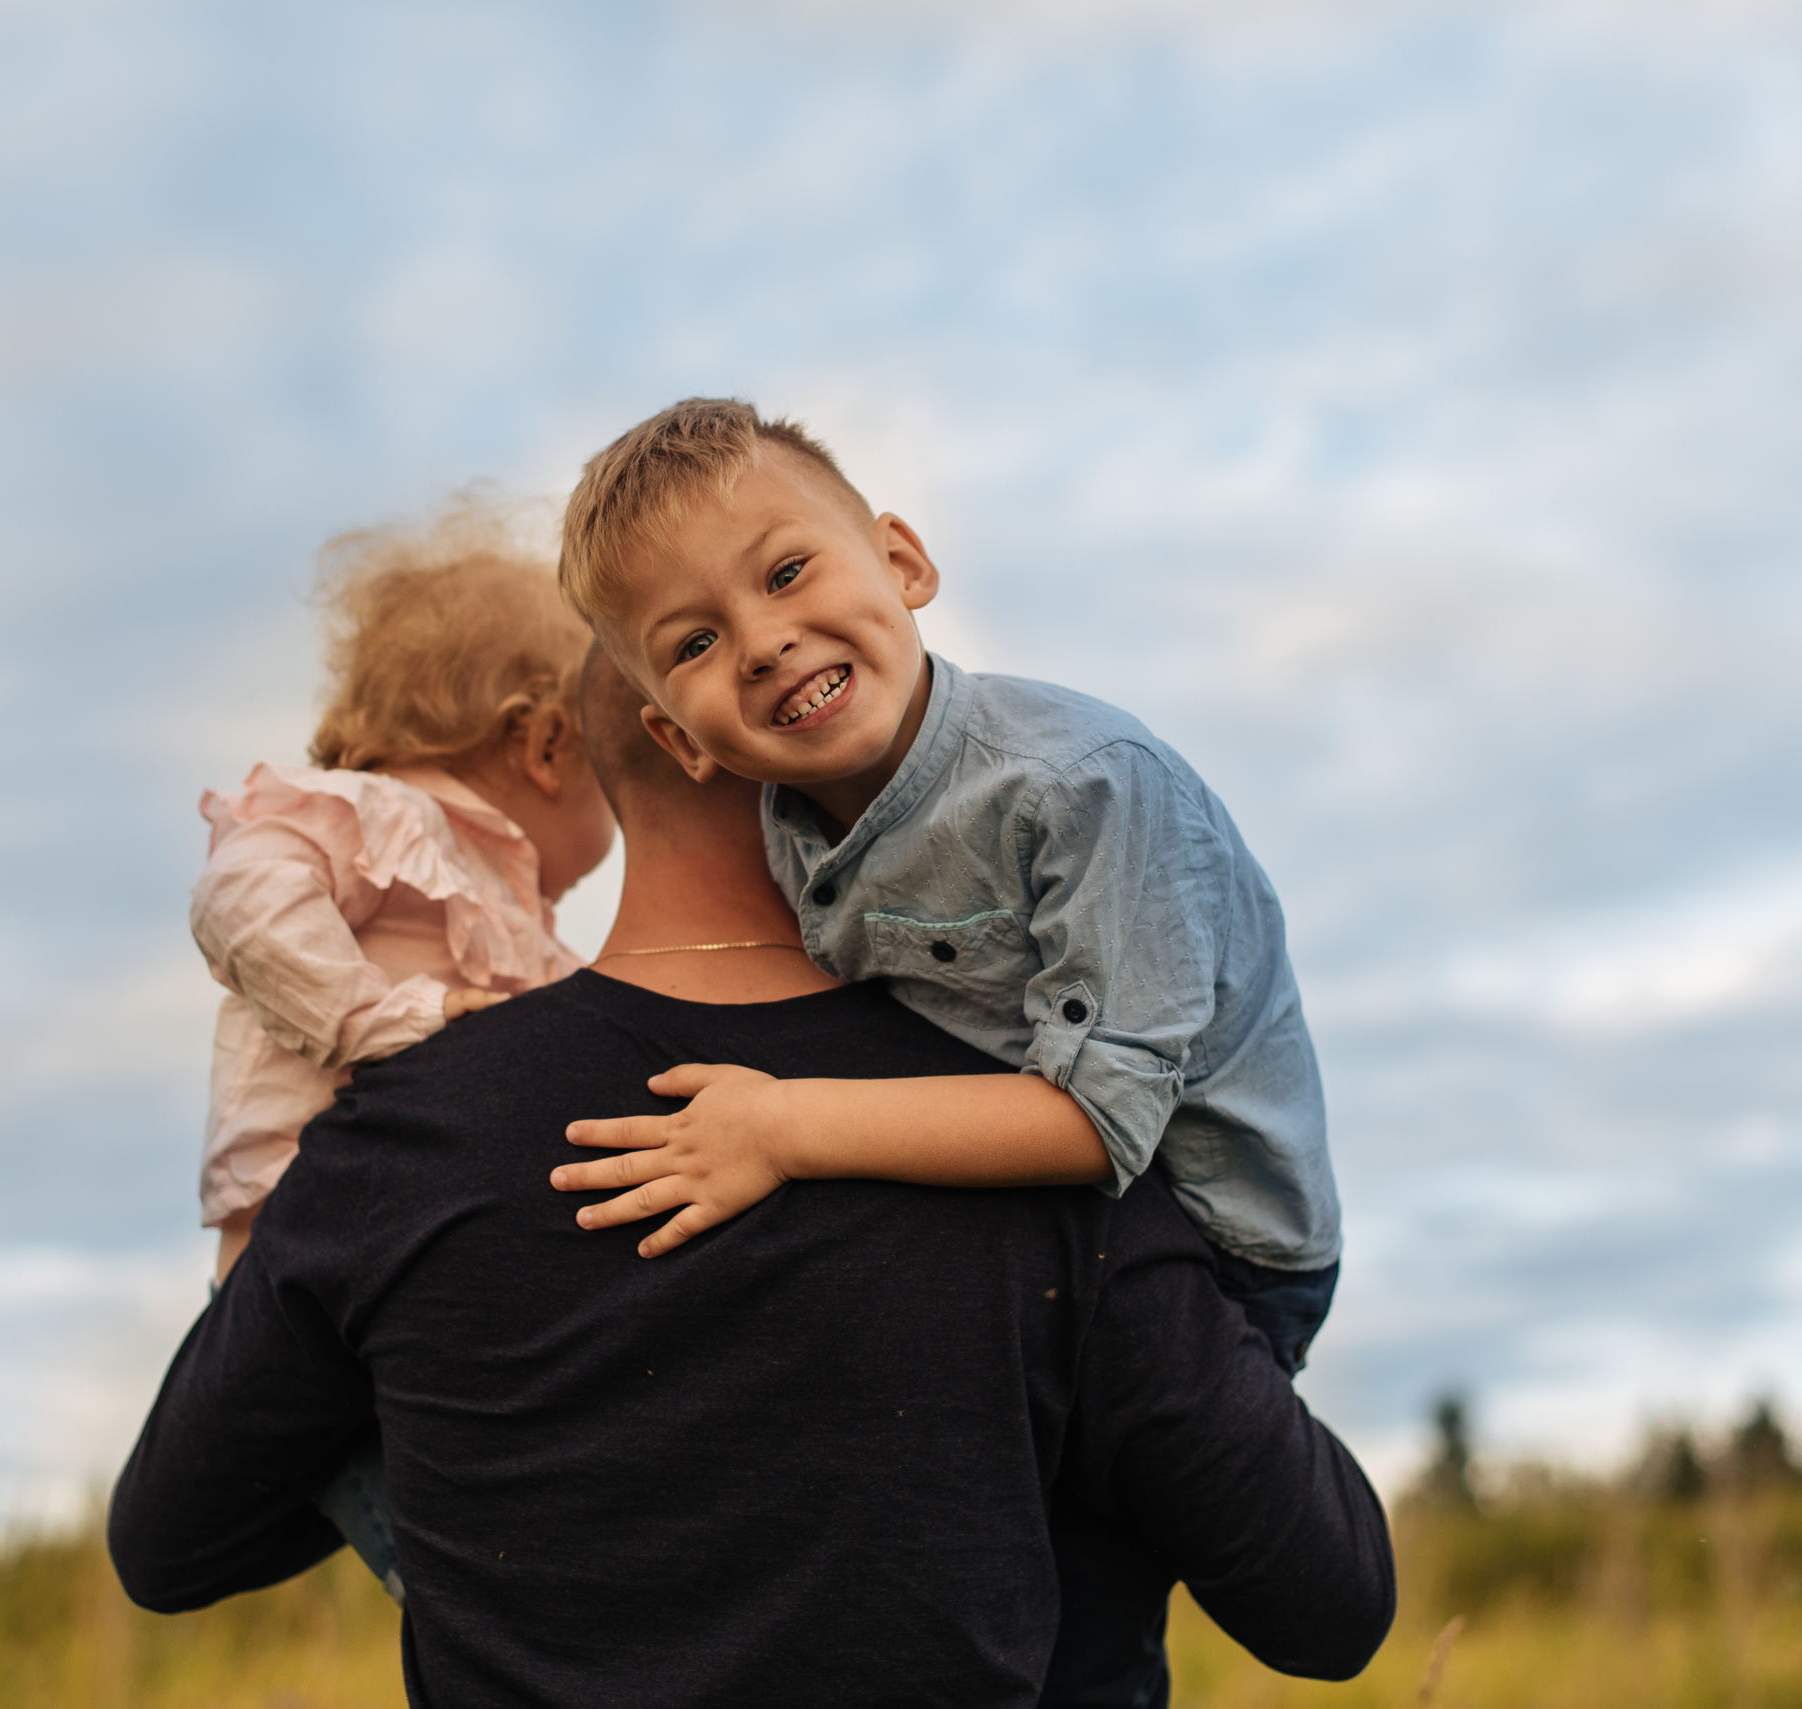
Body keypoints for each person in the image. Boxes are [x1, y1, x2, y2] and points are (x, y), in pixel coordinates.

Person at [107, 649, 1396, 1708]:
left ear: (621, 762)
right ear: (705, 735)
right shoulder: (1035, 1140)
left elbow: (170, 1542)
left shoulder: (405, 1136)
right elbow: (1331, 1602)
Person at [190, 498, 613, 1285]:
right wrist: (376, 1018)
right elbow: (241, 895)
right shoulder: (376, 814)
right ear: (549, 745)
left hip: (424, 1232)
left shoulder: (528, 927)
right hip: (295, 1227)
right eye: (616, 770)